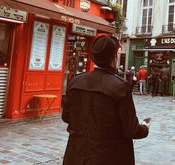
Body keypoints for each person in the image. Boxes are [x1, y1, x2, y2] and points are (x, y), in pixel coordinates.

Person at [62, 36, 150, 165]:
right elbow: (131, 129)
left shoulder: (76, 81)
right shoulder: (120, 86)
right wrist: (145, 127)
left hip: (77, 152)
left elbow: (66, 117)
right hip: (108, 155)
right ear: (114, 57)